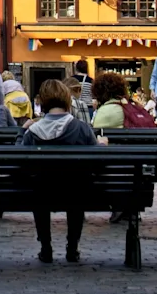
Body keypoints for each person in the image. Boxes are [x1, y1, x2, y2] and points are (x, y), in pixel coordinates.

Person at [20, 79, 98, 263]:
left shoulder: (32, 132)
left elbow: (20, 162)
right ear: (66, 99)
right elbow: (97, 162)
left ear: (42, 101)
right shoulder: (81, 128)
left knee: (38, 190)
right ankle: (73, 247)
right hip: (75, 192)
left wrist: (20, 132)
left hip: (41, 192)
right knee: (77, 190)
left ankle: (45, 247)